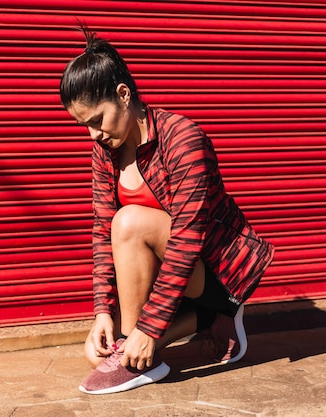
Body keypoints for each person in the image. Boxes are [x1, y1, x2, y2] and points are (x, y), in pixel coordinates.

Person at [59, 26, 275, 395]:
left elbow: (189, 238)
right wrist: (101, 312)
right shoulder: (104, 152)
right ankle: (207, 321)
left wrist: (144, 330)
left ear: (124, 95)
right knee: (98, 353)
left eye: (97, 120)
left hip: (218, 272)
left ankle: (149, 352)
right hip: (171, 276)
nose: (93, 134)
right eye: (84, 126)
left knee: (129, 222)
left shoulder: (183, 138)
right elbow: (100, 230)